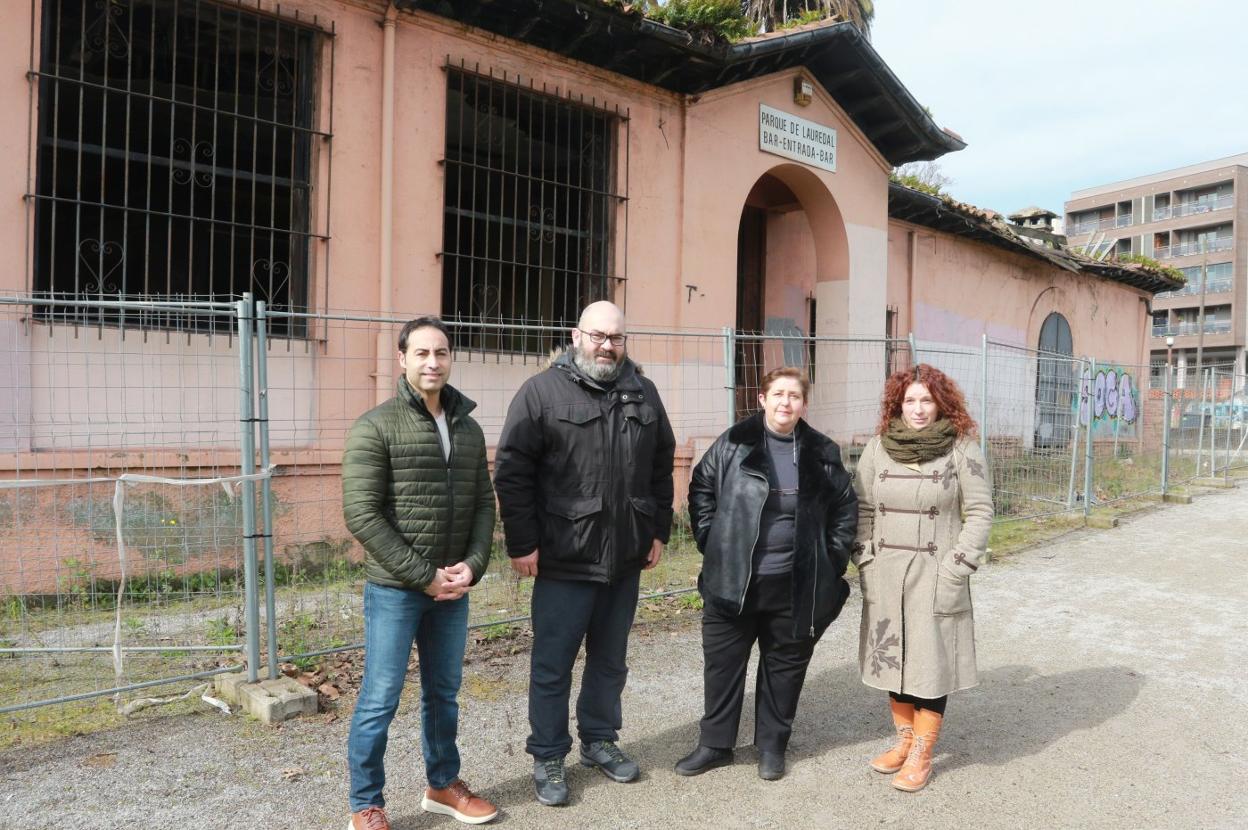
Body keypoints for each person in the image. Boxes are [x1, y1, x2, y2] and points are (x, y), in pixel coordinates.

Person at [493, 301, 676, 807]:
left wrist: (658, 529)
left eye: (615, 338)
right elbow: (512, 471)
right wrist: (522, 542)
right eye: (598, 336)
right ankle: (549, 754)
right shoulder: (541, 392)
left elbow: (661, 464)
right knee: (552, 665)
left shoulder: (643, 392)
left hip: (625, 557)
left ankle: (599, 741)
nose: (606, 346)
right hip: (563, 556)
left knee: (610, 661)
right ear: (576, 336)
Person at [342, 317, 498, 829]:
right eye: (422, 353)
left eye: (442, 352)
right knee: (380, 699)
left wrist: (472, 566)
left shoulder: (468, 428)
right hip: (396, 589)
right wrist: (423, 575)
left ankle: (442, 785)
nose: (433, 362)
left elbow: (483, 504)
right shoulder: (375, 426)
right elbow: (362, 515)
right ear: (403, 359)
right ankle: (366, 804)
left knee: (443, 694)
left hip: (452, 589)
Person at [678, 367, 857, 781]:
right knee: (723, 667)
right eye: (778, 394)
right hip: (733, 580)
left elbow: (845, 507)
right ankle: (715, 744)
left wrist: (831, 559)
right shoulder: (733, 444)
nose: (785, 403)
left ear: (804, 404)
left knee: (785, 667)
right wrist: (712, 540)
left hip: (795, 583)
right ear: (762, 399)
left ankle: (772, 746)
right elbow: (701, 486)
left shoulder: (822, 451)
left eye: (794, 396)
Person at [852, 363, 993, 792]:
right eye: (909, 400)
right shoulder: (877, 448)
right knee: (892, 658)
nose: (917, 409)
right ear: (897, 405)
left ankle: (922, 753)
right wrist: (864, 557)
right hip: (885, 571)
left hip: (935, 572)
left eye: (926, 400)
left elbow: (980, 512)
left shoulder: (962, 449)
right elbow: (861, 507)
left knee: (930, 663)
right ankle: (904, 741)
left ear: (941, 403)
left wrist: (957, 565)